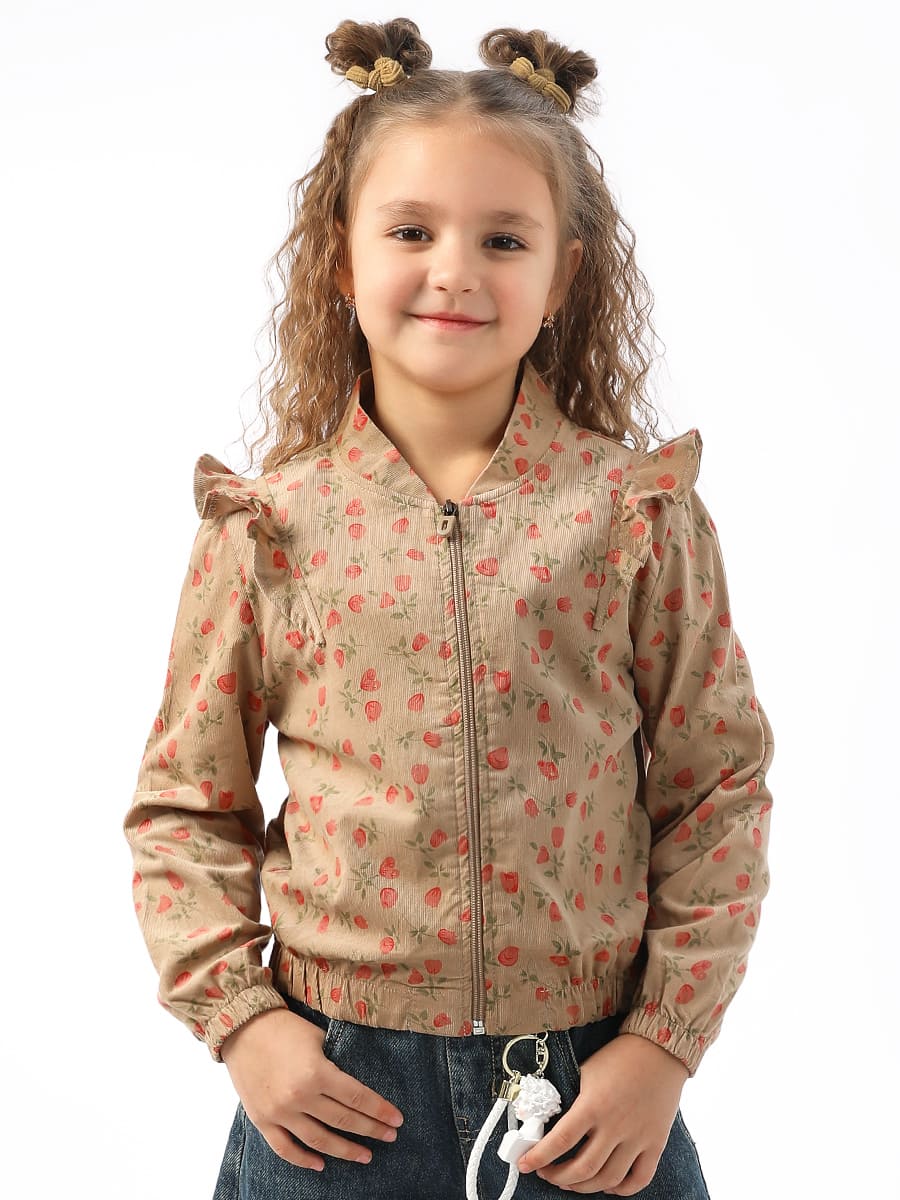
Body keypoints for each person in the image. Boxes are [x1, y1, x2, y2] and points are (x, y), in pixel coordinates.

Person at [123, 17, 774, 1200]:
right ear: (341, 257)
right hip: (334, 1100)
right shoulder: (269, 526)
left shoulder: (632, 513)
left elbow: (716, 789)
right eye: (412, 230)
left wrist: (662, 1047)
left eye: (504, 238)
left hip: (590, 1097)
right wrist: (244, 1024)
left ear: (562, 276)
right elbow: (184, 807)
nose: (456, 271)